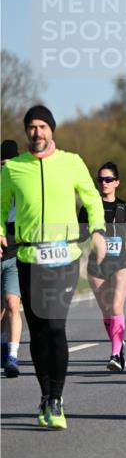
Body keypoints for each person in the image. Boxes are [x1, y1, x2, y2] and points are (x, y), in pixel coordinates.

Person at [0, 106, 106, 428]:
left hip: (64, 257)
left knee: (56, 326)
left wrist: (98, 231)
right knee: (39, 331)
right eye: (32, 127)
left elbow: (92, 198)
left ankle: (57, 399)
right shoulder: (14, 168)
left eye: (43, 126)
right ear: (26, 131)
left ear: (52, 130)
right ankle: (45, 394)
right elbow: (1, 204)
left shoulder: (72, 162)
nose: (37, 132)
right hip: (29, 258)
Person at [78, 162, 126, 371]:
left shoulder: (125, 207)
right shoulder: (88, 208)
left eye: (108, 179)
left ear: (117, 182)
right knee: (106, 311)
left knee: (116, 304)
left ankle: (115, 354)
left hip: (121, 262)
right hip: (97, 264)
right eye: (100, 179)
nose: (104, 183)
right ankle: (120, 345)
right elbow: (81, 233)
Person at [1, 140, 23, 377]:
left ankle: (13, 356)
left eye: (7, 164)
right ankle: (2, 345)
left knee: (12, 303)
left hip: (16, 255)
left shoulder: (23, 188)